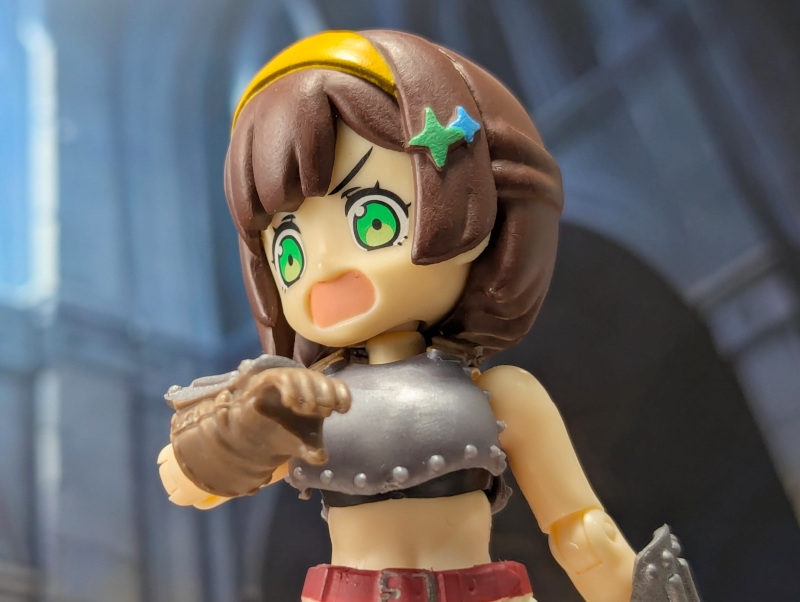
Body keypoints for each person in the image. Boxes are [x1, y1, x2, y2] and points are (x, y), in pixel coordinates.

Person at [158, 30, 693, 602]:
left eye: (376, 220)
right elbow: (184, 483)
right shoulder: (304, 403)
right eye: (290, 254)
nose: (325, 271)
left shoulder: (504, 396)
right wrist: (234, 437)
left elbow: (582, 530)